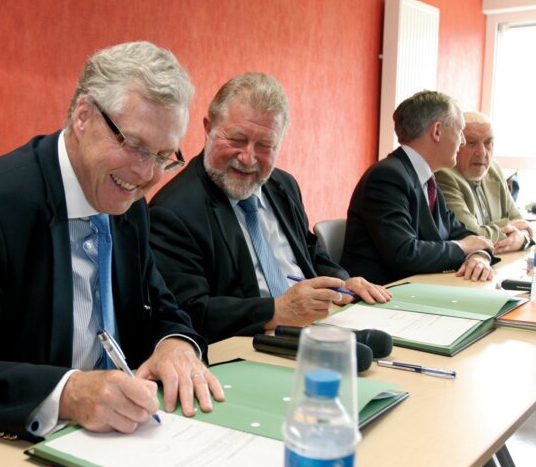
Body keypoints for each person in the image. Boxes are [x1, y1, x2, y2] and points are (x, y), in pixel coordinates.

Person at [0, 41, 225, 447]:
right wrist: (67, 393)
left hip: (98, 442)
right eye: (135, 146)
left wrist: (174, 344)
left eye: (163, 156)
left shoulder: (127, 202)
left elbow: (158, 304)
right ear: (84, 115)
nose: (147, 175)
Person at [149, 73, 390, 344]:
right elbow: (188, 311)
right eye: (237, 139)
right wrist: (275, 311)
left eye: (264, 145)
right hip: (250, 342)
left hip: (320, 324)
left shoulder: (283, 185)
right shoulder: (174, 211)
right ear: (209, 129)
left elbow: (310, 251)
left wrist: (341, 283)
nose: (247, 158)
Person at [341, 90, 496, 285]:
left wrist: (478, 256)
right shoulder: (386, 177)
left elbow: (461, 233)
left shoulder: (428, 180)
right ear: (437, 131)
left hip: (420, 288)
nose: (462, 141)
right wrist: (463, 247)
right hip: (384, 294)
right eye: (460, 131)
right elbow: (404, 254)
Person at [435, 111, 534, 254]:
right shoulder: (444, 175)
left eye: (488, 143)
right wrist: (511, 227)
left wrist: (522, 238)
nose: (481, 152)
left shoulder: (494, 169)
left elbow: (522, 224)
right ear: (456, 143)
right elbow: (471, 236)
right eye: (471, 143)